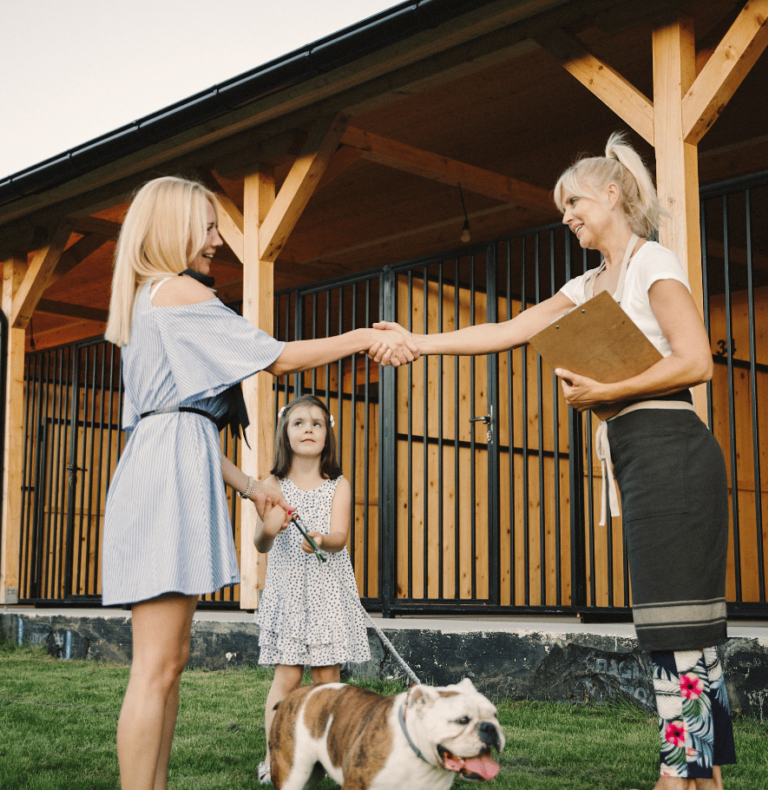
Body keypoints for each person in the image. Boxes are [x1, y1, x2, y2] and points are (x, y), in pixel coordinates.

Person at [375, 132, 735, 790]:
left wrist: (608, 391)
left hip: (674, 453)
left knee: (679, 624)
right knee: (667, 626)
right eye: (561, 205)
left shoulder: (654, 261)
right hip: (639, 456)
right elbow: (508, 330)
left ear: (612, 194)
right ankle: (697, 772)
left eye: (573, 201)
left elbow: (695, 361)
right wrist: (418, 342)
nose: (565, 214)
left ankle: (679, 768)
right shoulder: (590, 284)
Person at [102, 176, 414, 790]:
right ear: (172, 228)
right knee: (157, 666)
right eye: (209, 225)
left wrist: (249, 484)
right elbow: (277, 357)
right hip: (166, 478)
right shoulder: (176, 292)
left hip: (166, 464)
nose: (218, 239)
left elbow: (176, 421)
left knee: (171, 662)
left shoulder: (150, 300)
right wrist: (365, 337)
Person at [252, 394, 371, 785]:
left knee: (328, 679)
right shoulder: (272, 485)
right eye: (299, 423)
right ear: (285, 434)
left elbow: (339, 537)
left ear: (327, 434)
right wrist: (270, 527)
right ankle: (275, 756)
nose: (308, 429)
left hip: (325, 595)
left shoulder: (338, 484)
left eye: (317, 424)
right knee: (287, 678)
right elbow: (261, 543)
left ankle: (336, 757)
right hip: (289, 594)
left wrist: (321, 539)